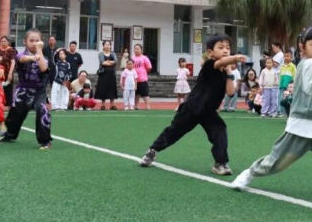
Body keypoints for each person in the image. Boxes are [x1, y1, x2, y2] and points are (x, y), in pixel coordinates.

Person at [232, 26, 312, 204]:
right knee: (276, 161)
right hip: (302, 126)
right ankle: (250, 173)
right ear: (303, 47)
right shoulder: (307, 65)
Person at [139, 35, 246, 175]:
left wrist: (229, 73)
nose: (225, 50)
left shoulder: (225, 72)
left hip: (209, 112)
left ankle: (220, 163)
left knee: (220, 132)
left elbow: (230, 92)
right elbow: (221, 61)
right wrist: (236, 57)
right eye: (221, 48)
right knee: (174, 131)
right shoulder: (209, 64)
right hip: (192, 107)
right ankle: (152, 151)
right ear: (210, 53)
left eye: (228, 48)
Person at [0, 29, 52, 149]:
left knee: (43, 112)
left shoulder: (44, 58)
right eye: (31, 40)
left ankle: (45, 141)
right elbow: (21, 59)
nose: (34, 43)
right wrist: (32, 58)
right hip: (23, 91)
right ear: (24, 41)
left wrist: (39, 52)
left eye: (37, 41)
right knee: (14, 114)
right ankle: (10, 135)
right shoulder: (20, 55)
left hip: (39, 92)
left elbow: (43, 69)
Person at [95, 41, 118, 111]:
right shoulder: (101, 54)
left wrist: (108, 62)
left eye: (108, 45)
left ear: (110, 46)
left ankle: (112, 105)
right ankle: (103, 105)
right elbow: (102, 62)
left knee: (112, 89)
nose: (107, 46)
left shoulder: (113, 53)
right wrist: (111, 62)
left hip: (112, 74)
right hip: (103, 74)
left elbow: (116, 61)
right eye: (106, 44)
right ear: (103, 46)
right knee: (103, 89)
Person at [0, 36, 17, 110]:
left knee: (8, 89)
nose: (3, 42)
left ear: (8, 42)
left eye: (5, 41)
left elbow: (13, 62)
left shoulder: (11, 50)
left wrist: (10, 73)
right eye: (2, 41)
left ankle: (8, 106)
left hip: (8, 72)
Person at [132, 44, 152, 110]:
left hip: (142, 79)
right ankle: (136, 106)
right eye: (135, 49)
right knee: (136, 94)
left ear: (141, 50)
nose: (136, 50)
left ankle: (147, 105)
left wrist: (144, 72)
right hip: (134, 79)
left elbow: (149, 67)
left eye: (138, 49)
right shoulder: (132, 58)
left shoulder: (144, 58)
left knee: (145, 93)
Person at [278, 51, 297, 116]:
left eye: (288, 56)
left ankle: (288, 111)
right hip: (282, 85)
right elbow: (280, 76)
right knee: (282, 98)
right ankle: (282, 112)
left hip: (289, 87)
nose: (286, 57)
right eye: (285, 56)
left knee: (288, 98)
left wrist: (293, 84)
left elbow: (295, 75)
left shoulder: (292, 66)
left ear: (291, 57)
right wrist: (279, 84)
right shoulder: (282, 66)